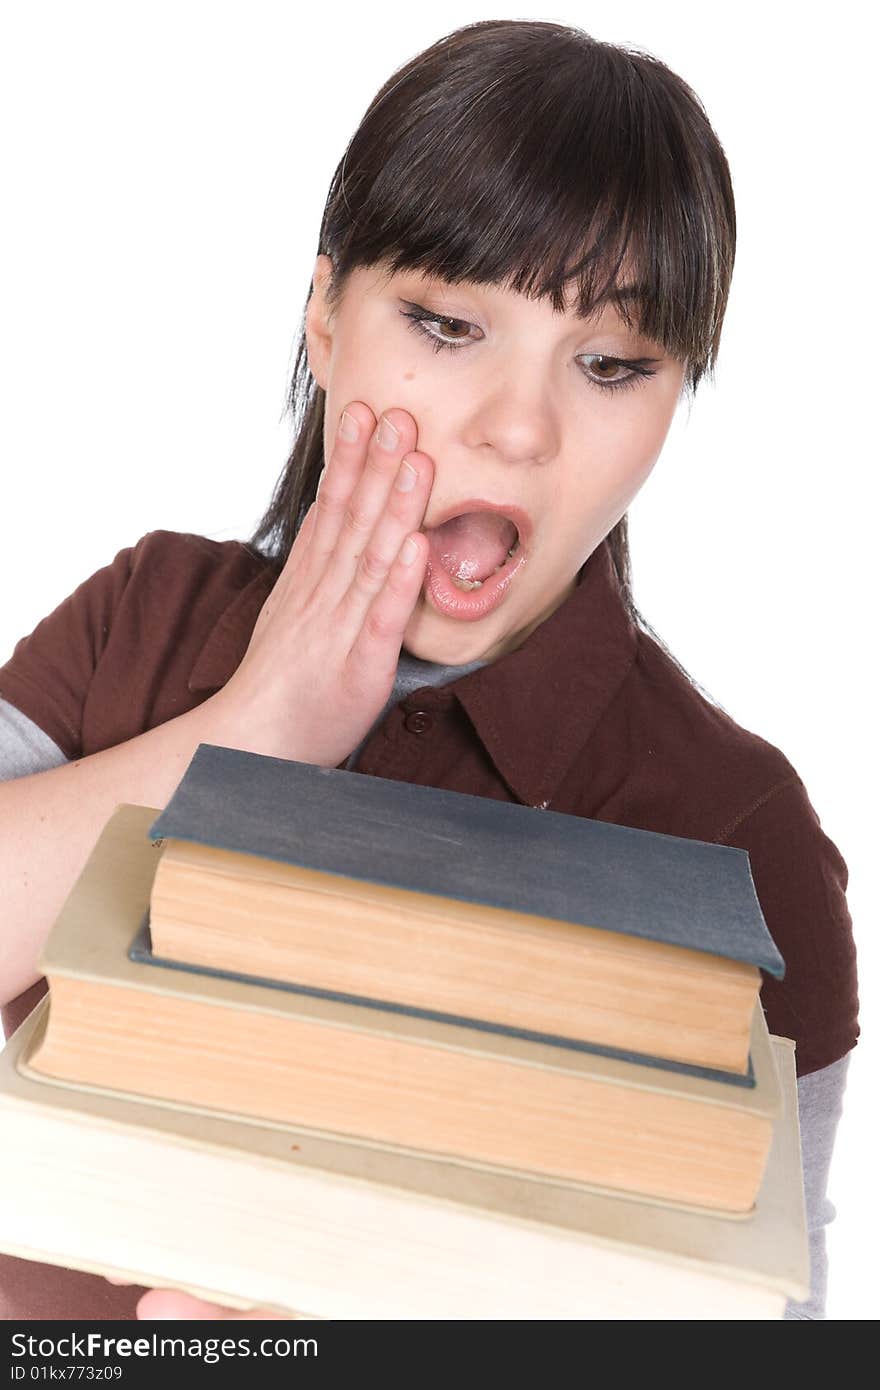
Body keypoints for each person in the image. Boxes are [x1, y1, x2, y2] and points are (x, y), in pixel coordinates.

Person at [0, 19, 858, 1322]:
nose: (518, 428)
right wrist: (257, 725)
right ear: (325, 320)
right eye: (450, 325)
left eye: (615, 364)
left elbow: (768, 1318)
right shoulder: (145, 619)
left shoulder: (740, 834)